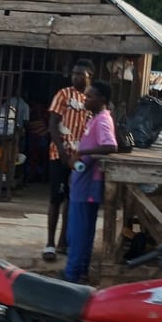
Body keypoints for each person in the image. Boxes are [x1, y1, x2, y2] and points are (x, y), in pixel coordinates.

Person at [63, 80, 118, 283]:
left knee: (78, 232)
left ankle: (72, 276)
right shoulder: (95, 119)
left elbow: (110, 146)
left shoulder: (102, 120)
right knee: (83, 231)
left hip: (87, 186)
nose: (85, 99)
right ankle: (80, 271)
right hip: (82, 182)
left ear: (101, 99)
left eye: (90, 96)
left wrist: (81, 153)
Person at [43, 59, 94, 262]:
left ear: (90, 76)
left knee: (72, 200)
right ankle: (50, 243)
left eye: (80, 74)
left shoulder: (92, 100)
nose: (76, 77)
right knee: (55, 198)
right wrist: (63, 153)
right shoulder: (63, 94)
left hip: (81, 158)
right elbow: (53, 125)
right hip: (60, 155)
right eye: (74, 74)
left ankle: (63, 241)